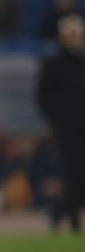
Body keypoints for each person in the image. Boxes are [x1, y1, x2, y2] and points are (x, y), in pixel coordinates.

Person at [35, 12, 85, 232]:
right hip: (67, 129)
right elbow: (43, 98)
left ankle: (62, 213)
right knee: (74, 172)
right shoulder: (53, 64)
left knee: (78, 174)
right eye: (71, 34)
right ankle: (68, 215)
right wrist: (57, 121)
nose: (76, 38)